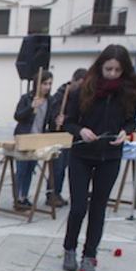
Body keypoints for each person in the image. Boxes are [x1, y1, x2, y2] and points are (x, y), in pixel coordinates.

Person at [60, 44, 136, 271]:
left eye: (117, 70)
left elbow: (130, 121)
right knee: (78, 207)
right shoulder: (83, 90)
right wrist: (81, 131)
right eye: (108, 69)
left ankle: (89, 254)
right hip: (82, 156)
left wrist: (126, 132)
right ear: (100, 67)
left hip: (110, 157)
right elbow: (69, 122)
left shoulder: (128, 93)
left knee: (98, 208)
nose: (112, 74)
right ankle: (69, 249)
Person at [12, 71, 53, 211]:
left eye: (49, 84)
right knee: (22, 169)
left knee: (30, 169)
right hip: (24, 137)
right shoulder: (27, 98)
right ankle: (17, 197)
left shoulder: (50, 101)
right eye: (44, 84)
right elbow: (17, 116)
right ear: (38, 84)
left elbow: (49, 121)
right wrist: (31, 107)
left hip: (38, 139)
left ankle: (24, 196)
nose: (47, 87)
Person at [46, 67, 87, 207]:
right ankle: (51, 195)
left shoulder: (78, 96)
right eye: (80, 83)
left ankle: (57, 194)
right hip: (57, 136)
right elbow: (51, 117)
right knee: (56, 168)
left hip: (69, 136)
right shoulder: (59, 96)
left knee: (63, 167)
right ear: (73, 80)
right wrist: (56, 120)